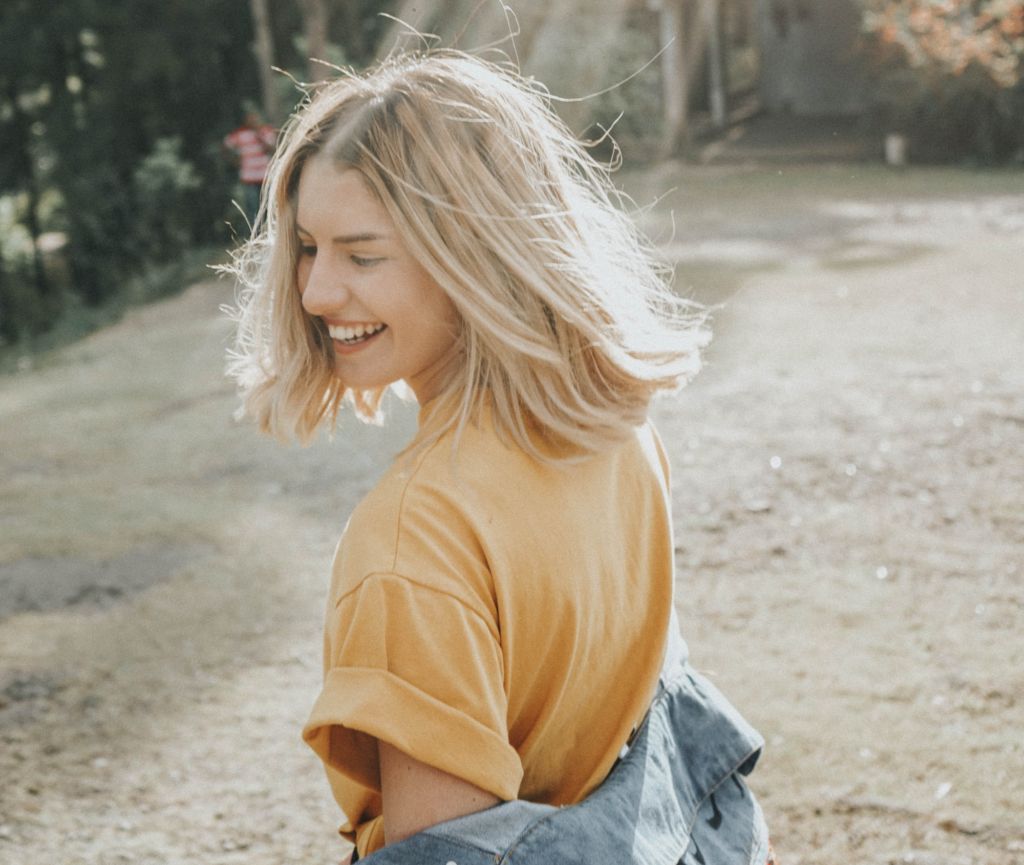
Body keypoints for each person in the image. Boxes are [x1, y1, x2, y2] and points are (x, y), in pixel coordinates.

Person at [226, 51, 777, 865]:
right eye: (308, 246)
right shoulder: (613, 426)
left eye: (362, 254)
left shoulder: (415, 537)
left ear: (473, 254)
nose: (314, 292)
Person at [222, 107, 277, 228]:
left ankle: (270, 233)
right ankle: (255, 235)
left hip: (265, 177)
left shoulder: (266, 130)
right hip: (249, 178)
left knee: (268, 207)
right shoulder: (240, 133)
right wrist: (235, 161)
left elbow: (270, 148)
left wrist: (258, 133)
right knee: (253, 209)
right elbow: (225, 145)